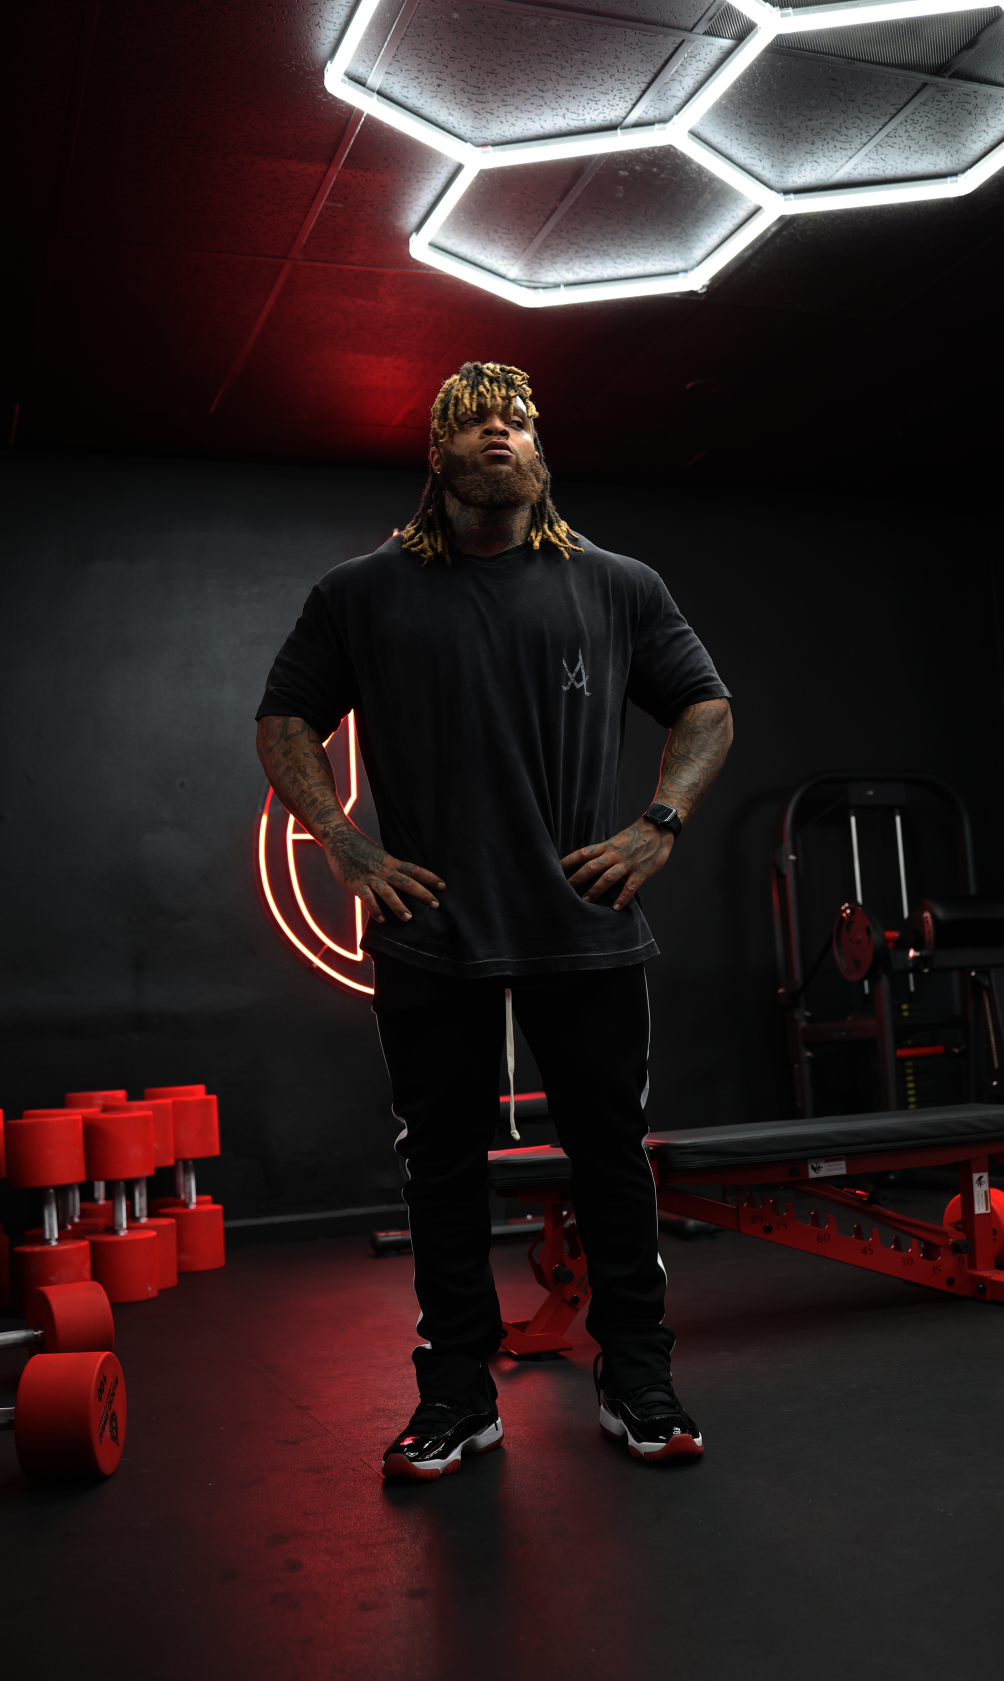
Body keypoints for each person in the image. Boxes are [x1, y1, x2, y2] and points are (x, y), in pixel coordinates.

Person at [255, 360, 732, 1480]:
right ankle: (458, 1393)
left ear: (541, 452)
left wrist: (658, 822)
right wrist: (344, 840)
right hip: (434, 930)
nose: (501, 434)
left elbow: (704, 705)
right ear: (437, 453)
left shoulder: (615, 583)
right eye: (474, 422)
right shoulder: (361, 593)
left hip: (582, 921)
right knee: (441, 1170)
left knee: (611, 1158)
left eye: (519, 420)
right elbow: (285, 720)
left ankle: (637, 1374)